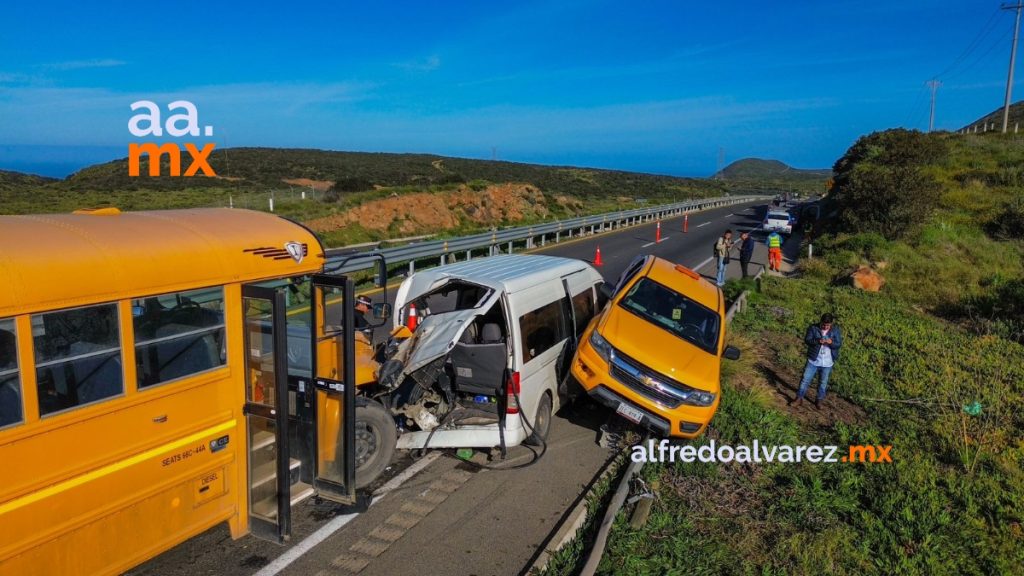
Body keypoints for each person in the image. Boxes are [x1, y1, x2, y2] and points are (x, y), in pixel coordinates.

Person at [790, 313, 843, 409]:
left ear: (831, 324)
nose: (825, 327)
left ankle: (819, 400)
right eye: (823, 324)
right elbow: (807, 340)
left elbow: (838, 344)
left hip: (827, 362)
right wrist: (818, 341)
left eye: (828, 325)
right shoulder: (813, 328)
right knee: (805, 380)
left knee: (823, 382)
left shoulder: (835, 330)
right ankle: (799, 398)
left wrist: (831, 343)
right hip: (813, 360)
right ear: (820, 321)